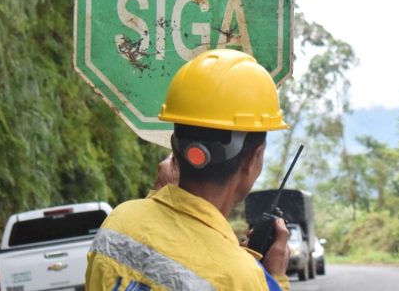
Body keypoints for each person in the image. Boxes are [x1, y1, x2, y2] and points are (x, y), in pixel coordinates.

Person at [85, 49, 291, 290]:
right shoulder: (243, 278)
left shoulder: (119, 222)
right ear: (253, 160)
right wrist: (275, 279)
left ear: (174, 147)